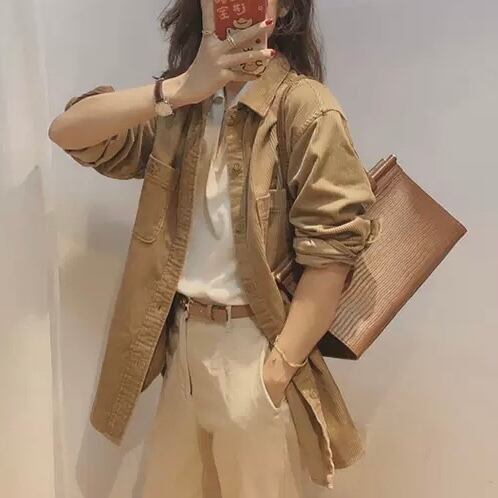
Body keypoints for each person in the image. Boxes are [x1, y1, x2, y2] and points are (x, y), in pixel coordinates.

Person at [48, 0, 381, 496]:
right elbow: (68, 132)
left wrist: (274, 375)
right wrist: (178, 89)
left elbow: (331, 253)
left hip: (252, 349)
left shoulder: (305, 107)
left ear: (283, 7)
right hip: (182, 342)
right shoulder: (182, 107)